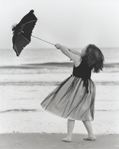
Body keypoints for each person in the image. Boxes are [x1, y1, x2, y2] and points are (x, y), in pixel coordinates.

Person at [41, 43, 104, 142]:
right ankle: (91, 135)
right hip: (87, 87)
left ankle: (69, 136)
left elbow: (67, 52)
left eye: (84, 49)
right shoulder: (88, 61)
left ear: (87, 53)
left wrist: (61, 47)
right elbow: (74, 51)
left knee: (71, 111)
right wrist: (67, 47)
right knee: (84, 112)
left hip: (77, 87)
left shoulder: (78, 59)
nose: (82, 50)